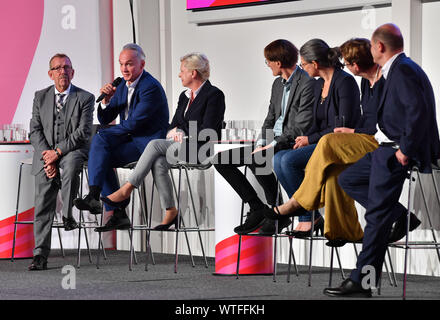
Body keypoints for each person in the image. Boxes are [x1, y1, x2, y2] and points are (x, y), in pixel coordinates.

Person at [324, 23, 440, 298]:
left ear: (379, 47)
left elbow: (418, 112)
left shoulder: (403, 70)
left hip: (396, 151)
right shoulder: (397, 70)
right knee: (348, 179)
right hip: (386, 148)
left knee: (375, 216)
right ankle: (399, 214)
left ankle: (361, 282)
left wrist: (405, 150)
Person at [263, 38, 385, 244]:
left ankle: (301, 208)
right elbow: (315, 121)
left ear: (315, 64)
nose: (302, 68)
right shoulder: (319, 84)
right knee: (281, 158)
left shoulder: (345, 82)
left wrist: (311, 138)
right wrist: (306, 138)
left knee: (289, 161)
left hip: (348, 143)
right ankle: (338, 228)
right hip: (332, 140)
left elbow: (344, 125)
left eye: (303, 64)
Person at [100, 52, 225, 231]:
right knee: (158, 162)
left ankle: (127, 188)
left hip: (201, 149)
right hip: (183, 147)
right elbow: (172, 126)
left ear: (194, 73)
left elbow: (209, 130)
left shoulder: (214, 95)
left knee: (154, 144)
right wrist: (175, 131)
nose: (179, 74)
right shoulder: (184, 96)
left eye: (182, 71)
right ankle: (171, 210)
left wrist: (182, 132)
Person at [213, 39, 315, 236]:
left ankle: (277, 210)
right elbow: (270, 118)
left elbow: (300, 126)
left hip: (290, 142)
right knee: (221, 160)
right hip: (271, 141)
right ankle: (259, 207)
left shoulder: (307, 83)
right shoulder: (278, 84)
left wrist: (271, 146)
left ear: (278, 62)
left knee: (256, 157)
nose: (267, 65)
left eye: (268, 61)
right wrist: (261, 142)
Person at [73, 43, 169, 232]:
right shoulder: (123, 85)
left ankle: (100, 200)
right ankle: (115, 212)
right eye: (122, 64)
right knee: (101, 151)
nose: (125, 69)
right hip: (130, 140)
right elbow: (105, 118)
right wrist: (106, 101)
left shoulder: (150, 87)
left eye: (130, 64)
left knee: (100, 141)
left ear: (142, 65)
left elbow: (134, 124)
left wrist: (103, 133)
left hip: (146, 143)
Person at [28, 53, 94, 270]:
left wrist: (58, 153)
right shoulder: (40, 97)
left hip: (71, 151)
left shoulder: (85, 98)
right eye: (57, 68)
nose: (62, 71)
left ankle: (67, 215)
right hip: (47, 155)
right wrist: (48, 157)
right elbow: (35, 131)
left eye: (66, 67)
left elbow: (82, 133)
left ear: (72, 72)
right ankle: (39, 255)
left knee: (73, 163)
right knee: (43, 203)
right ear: (50, 74)